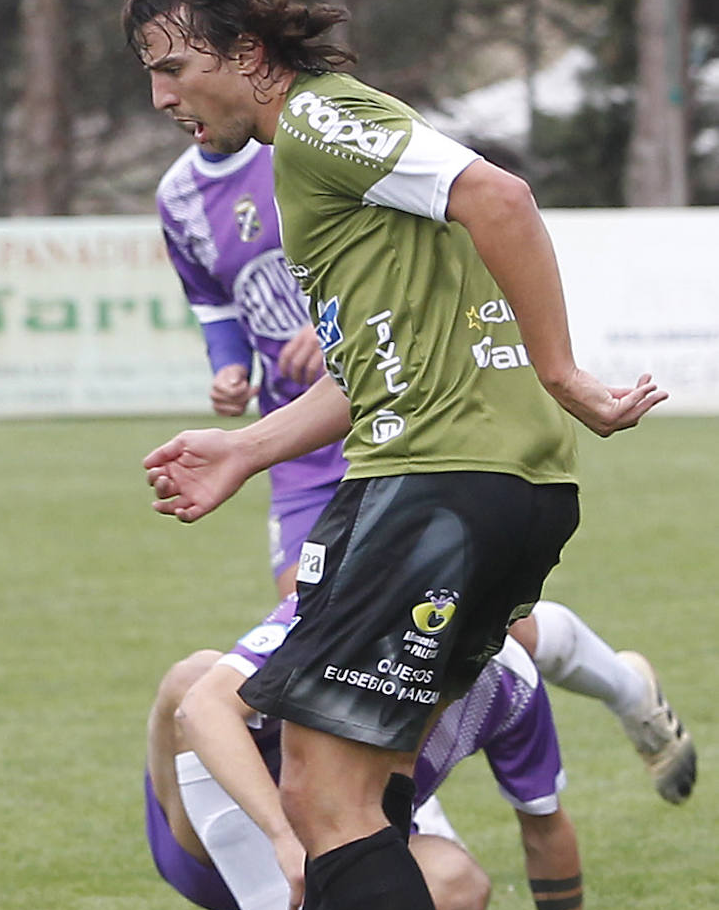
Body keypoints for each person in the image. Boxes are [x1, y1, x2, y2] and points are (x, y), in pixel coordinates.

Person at [125, 0, 666, 910]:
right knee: (365, 782)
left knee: (319, 782)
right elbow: (380, 359)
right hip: (475, 482)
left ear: (244, 51)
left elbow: (503, 198)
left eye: (171, 66)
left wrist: (563, 369)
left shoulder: (315, 121)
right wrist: (249, 449)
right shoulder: (323, 150)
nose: (160, 98)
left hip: (436, 482)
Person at [158, 135, 695, 802]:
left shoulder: (319, 139)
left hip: (411, 419)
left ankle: (620, 690)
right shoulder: (180, 194)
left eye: (174, 66)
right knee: (325, 646)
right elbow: (216, 305)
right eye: (154, 68)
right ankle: (379, 826)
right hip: (299, 445)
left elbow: (423, 249)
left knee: (485, 634)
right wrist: (229, 368)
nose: (163, 93)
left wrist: (335, 328)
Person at [142, 603, 664, 910]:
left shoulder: (511, 687)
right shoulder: (345, 607)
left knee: (459, 885)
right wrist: (282, 835)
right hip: (216, 850)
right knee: (193, 678)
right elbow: (203, 709)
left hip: (343, 861)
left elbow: (544, 826)